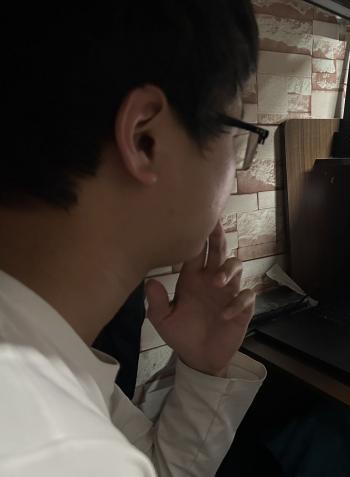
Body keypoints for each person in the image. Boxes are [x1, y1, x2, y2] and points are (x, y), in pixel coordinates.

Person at [0, 2, 268, 476]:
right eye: (236, 131)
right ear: (146, 140)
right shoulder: (54, 450)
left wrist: (203, 369)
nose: (236, 168)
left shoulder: (41, 349)